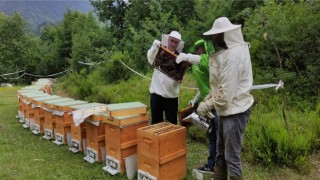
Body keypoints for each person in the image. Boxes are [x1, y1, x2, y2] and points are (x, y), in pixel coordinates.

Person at [197, 17, 254, 180]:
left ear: (225, 35)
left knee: (232, 157)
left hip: (235, 112)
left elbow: (225, 96)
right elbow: (222, 85)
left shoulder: (234, 56)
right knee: (221, 154)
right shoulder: (229, 53)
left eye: (217, 35)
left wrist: (207, 105)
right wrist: (210, 96)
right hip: (226, 111)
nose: (214, 39)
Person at [147, 31, 201, 125]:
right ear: (168, 40)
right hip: (156, 94)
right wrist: (153, 48)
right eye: (172, 41)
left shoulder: (181, 58)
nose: (173, 44)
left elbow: (181, 75)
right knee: (156, 124)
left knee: (172, 125)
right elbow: (150, 59)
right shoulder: (160, 51)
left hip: (172, 97)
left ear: (178, 44)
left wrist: (181, 75)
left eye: (176, 42)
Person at [188, 39, 218, 175]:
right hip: (206, 103)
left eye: (200, 48)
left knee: (218, 136)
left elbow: (217, 86)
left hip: (216, 103)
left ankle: (218, 167)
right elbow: (204, 87)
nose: (197, 51)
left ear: (205, 49)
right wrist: (195, 99)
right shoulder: (197, 65)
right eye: (196, 49)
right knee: (211, 135)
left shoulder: (211, 63)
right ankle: (212, 166)